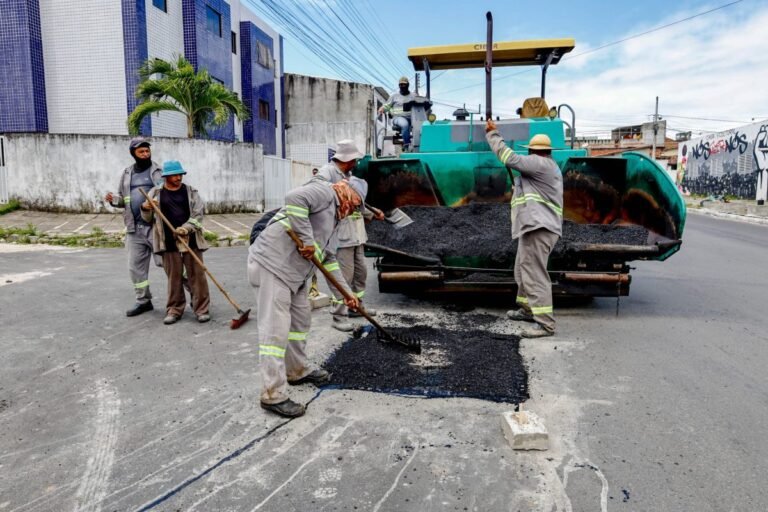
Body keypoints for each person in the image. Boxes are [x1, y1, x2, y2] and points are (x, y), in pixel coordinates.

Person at [247, 178, 367, 418]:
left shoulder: (335, 222)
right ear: (347, 191)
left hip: (296, 274)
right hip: (273, 265)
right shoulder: (325, 191)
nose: (353, 210)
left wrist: (347, 295)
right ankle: (272, 394)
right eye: (355, 204)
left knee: (300, 324)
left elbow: (329, 260)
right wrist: (307, 239)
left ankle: (297, 370)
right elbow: (294, 198)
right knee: (275, 332)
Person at [485, 120, 563, 338]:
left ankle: (545, 324)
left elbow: (508, 157)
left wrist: (493, 134)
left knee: (535, 274)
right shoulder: (545, 167)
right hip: (533, 227)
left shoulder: (539, 164)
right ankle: (528, 309)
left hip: (540, 228)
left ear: (533, 151)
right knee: (522, 270)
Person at [316, 140, 384, 331]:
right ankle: (339, 316)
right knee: (342, 278)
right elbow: (320, 197)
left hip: (357, 235)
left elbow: (356, 204)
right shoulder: (327, 173)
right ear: (348, 159)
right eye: (354, 159)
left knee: (360, 273)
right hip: (341, 237)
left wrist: (371, 213)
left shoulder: (349, 174)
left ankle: (356, 306)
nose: (356, 163)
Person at [141, 161, 211, 325]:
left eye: (180, 174)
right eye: (174, 175)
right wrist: (146, 207)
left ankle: (201, 309)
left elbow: (198, 214)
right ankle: (174, 309)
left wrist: (186, 228)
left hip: (190, 239)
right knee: (174, 278)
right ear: (166, 176)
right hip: (167, 241)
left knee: (197, 276)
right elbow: (148, 219)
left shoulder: (191, 192)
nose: (178, 177)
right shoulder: (155, 193)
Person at [105, 137, 162, 317]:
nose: (145, 154)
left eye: (147, 151)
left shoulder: (158, 171)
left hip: (156, 228)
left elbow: (167, 195)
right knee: (135, 268)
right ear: (133, 154)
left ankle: (193, 298)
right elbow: (124, 200)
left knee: (171, 264)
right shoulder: (127, 173)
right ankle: (143, 301)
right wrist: (113, 200)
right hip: (134, 228)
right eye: (141, 152)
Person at [378, 76, 415, 148]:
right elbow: (387, 106)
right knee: (404, 124)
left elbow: (420, 103)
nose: (402, 86)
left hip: (412, 118)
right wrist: (382, 108)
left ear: (408, 85)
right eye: (400, 85)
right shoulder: (394, 96)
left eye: (404, 84)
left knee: (423, 125)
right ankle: (407, 145)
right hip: (398, 118)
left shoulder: (413, 96)